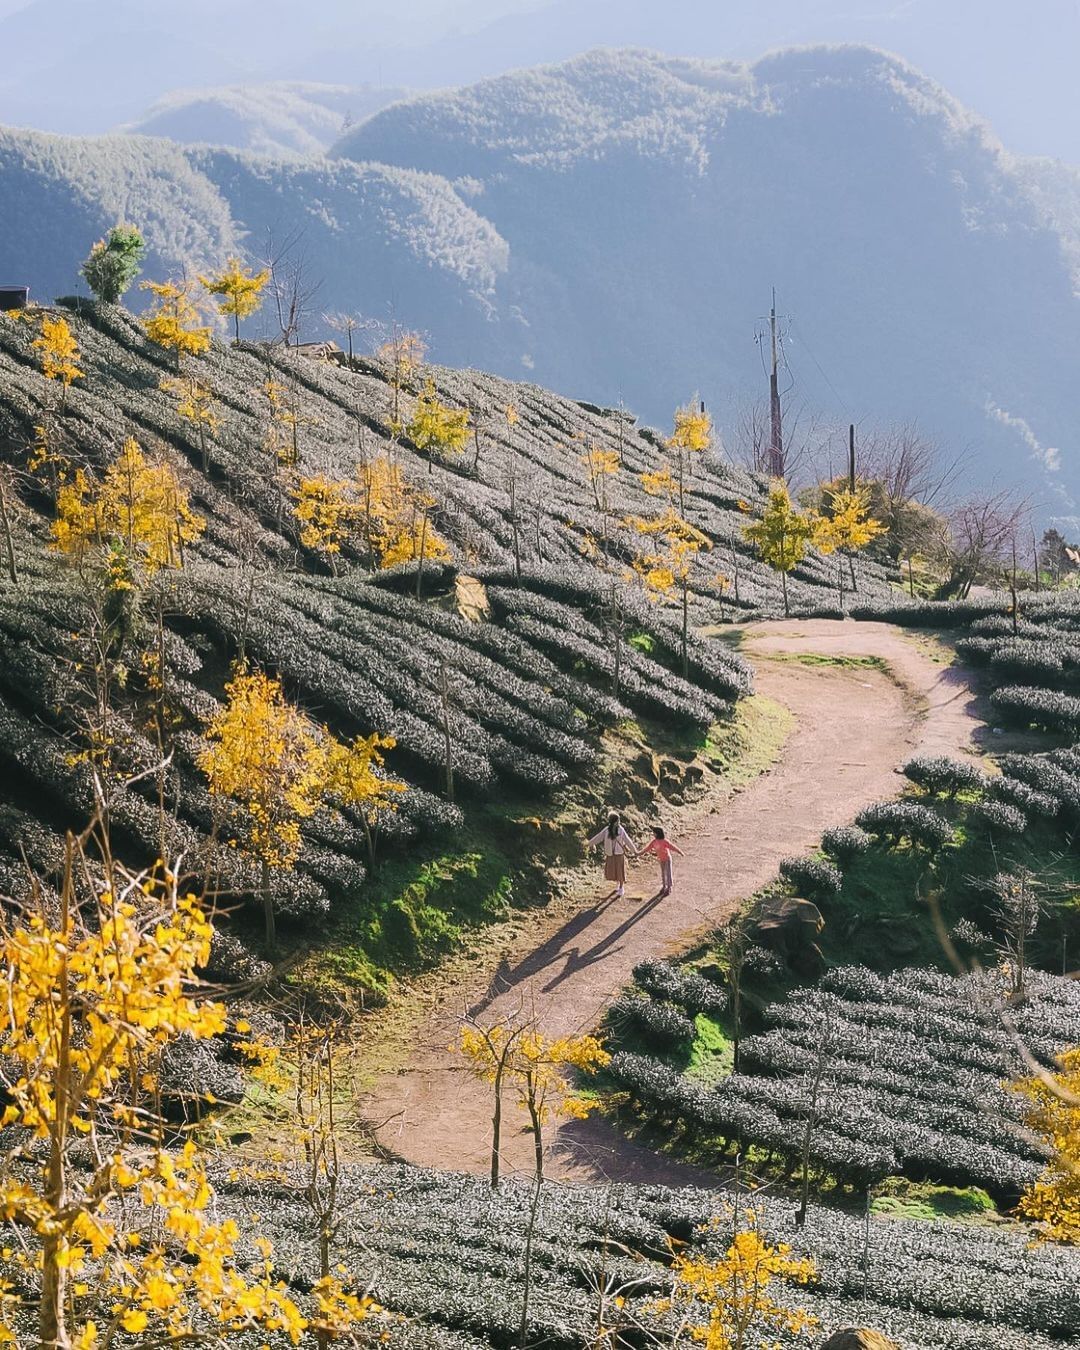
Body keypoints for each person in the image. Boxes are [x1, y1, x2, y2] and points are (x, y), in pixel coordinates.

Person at [586, 811, 637, 898]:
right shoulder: (606, 830)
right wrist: (589, 844)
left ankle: (621, 887)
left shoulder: (621, 830)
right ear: (614, 821)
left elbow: (628, 841)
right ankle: (618, 884)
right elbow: (598, 837)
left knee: (620, 871)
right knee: (613, 870)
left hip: (619, 853)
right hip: (610, 854)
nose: (619, 821)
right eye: (618, 820)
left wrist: (635, 851)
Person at [640, 826, 684, 897]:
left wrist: (680, 852)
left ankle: (669, 887)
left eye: (654, 833)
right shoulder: (654, 842)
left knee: (668, 873)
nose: (653, 834)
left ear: (657, 833)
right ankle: (664, 886)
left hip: (667, 859)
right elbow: (647, 849)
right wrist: (639, 853)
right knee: (663, 873)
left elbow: (672, 847)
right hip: (661, 859)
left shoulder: (664, 841)